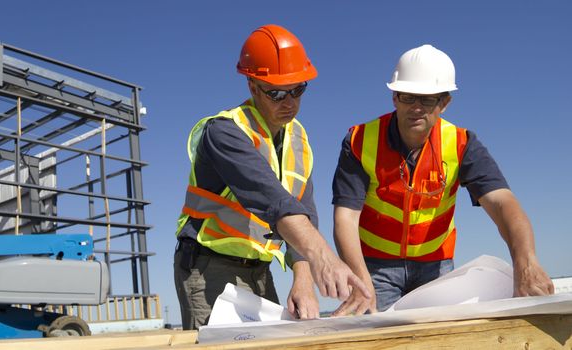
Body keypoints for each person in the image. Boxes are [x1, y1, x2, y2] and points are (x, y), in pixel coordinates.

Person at [331, 44, 555, 315]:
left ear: (444, 103)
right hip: (373, 267)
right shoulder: (359, 141)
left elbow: (502, 204)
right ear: (394, 97)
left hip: (435, 266)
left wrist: (526, 263)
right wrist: (359, 278)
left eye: (427, 99)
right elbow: (345, 218)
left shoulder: (462, 144)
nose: (416, 108)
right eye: (407, 97)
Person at [174, 24, 369, 330]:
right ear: (253, 86)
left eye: (297, 89)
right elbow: (275, 202)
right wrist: (324, 258)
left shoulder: (298, 139)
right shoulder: (225, 132)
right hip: (208, 265)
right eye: (277, 92)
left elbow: (303, 210)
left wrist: (303, 278)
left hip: (259, 269)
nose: (289, 102)